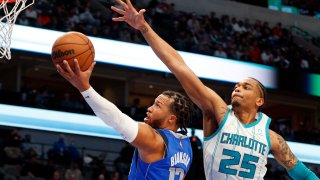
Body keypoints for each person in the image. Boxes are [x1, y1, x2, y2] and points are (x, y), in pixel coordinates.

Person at [110, 0, 319, 179]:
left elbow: (302, 173)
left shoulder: (271, 137)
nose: (238, 88)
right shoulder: (218, 111)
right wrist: (144, 28)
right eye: (237, 85)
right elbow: (179, 66)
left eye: (246, 87)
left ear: (259, 101)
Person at [56, 60, 194, 179]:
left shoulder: (155, 139)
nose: (149, 108)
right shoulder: (187, 147)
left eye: (158, 105)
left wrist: (84, 87)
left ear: (171, 119)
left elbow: (117, 119)